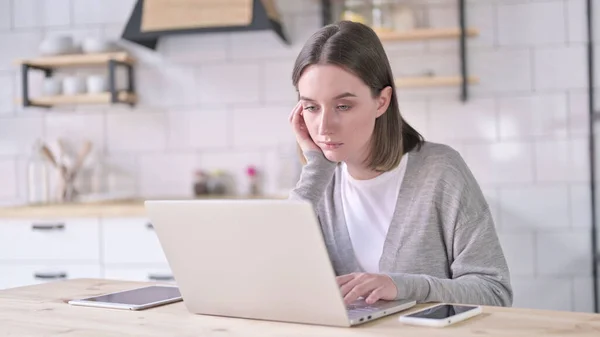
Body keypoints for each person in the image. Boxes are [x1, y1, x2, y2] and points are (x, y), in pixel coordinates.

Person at [287, 20, 512, 307]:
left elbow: (494, 292)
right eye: (311, 107)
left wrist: (400, 285)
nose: (324, 126)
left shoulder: (441, 171)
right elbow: (272, 276)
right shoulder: (318, 183)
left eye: (343, 106)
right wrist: (316, 169)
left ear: (382, 101)